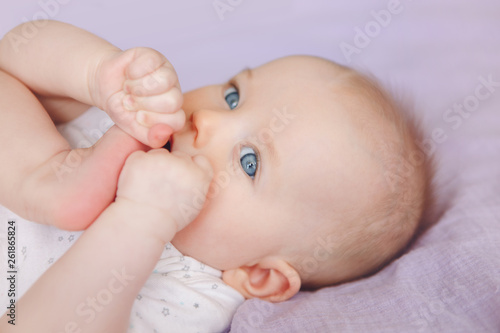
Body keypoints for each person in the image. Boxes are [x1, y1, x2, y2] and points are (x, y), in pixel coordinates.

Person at [0, 20, 427, 332]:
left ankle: (41, 182)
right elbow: (12, 55)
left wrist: (140, 220)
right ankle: (41, 179)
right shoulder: (134, 128)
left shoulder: (192, 295)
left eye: (250, 163)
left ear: (259, 275)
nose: (207, 120)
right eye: (233, 96)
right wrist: (97, 74)